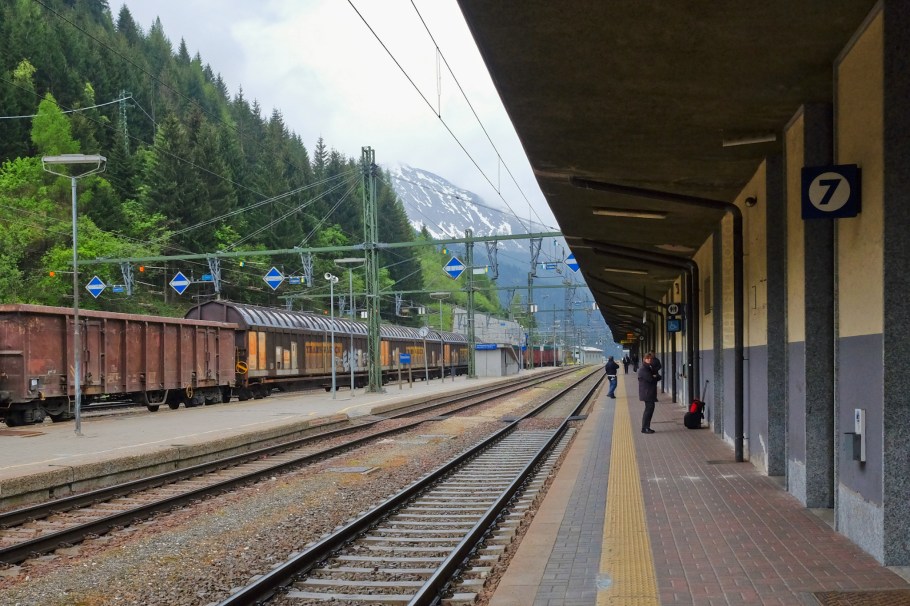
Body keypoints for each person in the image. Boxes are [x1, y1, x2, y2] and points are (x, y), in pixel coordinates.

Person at [638, 352, 660, 433]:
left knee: (649, 409)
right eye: (647, 358)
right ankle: (645, 428)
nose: (649, 360)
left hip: (648, 392)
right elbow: (650, 379)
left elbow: (657, 376)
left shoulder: (649, 367)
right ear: (644, 359)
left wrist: (655, 376)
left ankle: (646, 427)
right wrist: (655, 376)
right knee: (648, 410)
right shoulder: (644, 369)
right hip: (647, 393)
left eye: (650, 358)